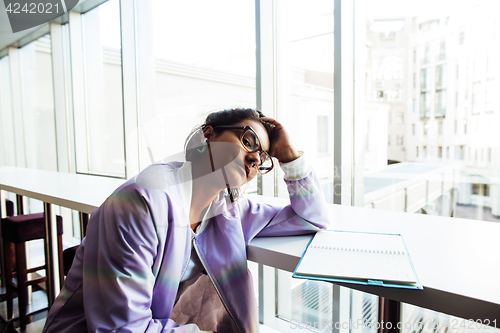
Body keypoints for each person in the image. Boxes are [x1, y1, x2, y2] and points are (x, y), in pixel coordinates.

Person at [42, 108, 330, 333]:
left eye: (263, 156)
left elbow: (312, 218)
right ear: (208, 135)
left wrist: (289, 157)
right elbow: (122, 329)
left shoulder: (228, 210)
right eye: (248, 141)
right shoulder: (140, 203)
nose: (254, 158)